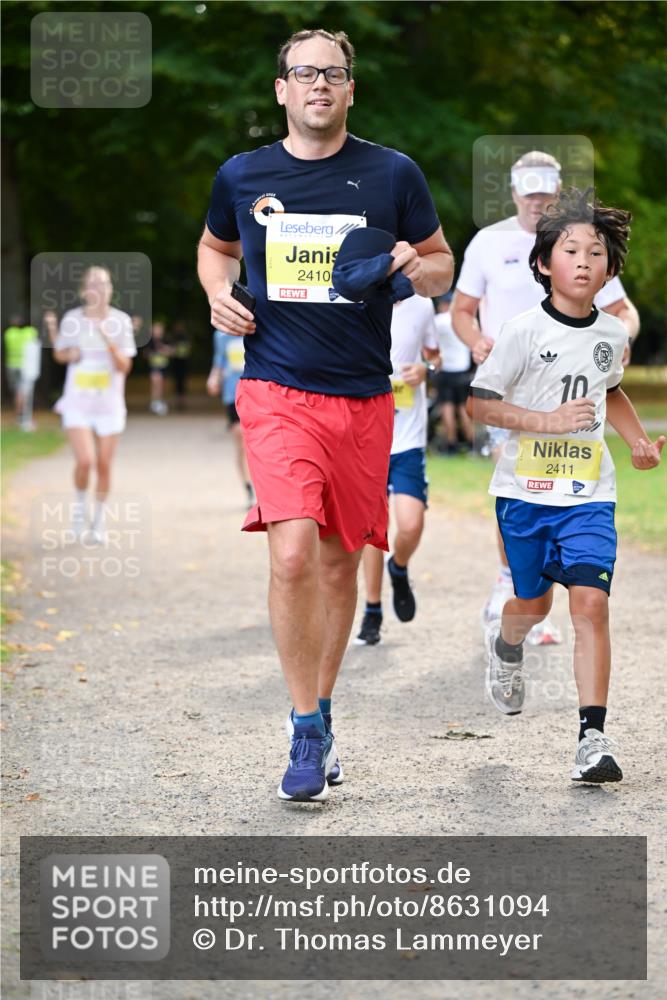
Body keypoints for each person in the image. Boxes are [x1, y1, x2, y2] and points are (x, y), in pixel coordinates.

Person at [197, 28, 453, 802]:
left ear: (350, 90)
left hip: (364, 397)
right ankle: (304, 725)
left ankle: (324, 706)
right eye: (303, 74)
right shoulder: (243, 175)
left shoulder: (391, 172)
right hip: (275, 390)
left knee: (342, 562)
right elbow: (215, 249)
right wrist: (216, 293)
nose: (318, 85)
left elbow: (441, 260)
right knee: (292, 554)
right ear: (281, 89)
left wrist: (410, 270)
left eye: (332, 74)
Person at [468, 187, 664, 783]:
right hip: (524, 494)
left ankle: (592, 739)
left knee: (591, 605)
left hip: (588, 497)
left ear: (610, 268)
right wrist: (543, 421)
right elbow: (480, 406)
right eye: (571, 249)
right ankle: (507, 648)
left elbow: (610, 390)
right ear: (543, 264)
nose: (584, 260)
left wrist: (634, 440)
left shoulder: (610, 335)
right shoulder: (522, 332)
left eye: (597, 252)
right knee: (532, 605)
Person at [452, 150, 641, 643]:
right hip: (509, 383)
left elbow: (623, 309)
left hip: (570, 381)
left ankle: (533, 591)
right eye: (528, 190)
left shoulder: (580, 244)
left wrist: (621, 342)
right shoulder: (489, 242)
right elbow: (462, 310)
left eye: (544, 190)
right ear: (515, 190)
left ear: (556, 190)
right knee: (518, 472)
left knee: (554, 476)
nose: (536, 199)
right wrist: (475, 341)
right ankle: (512, 582)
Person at [355, 295, 441, 645]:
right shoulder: (354, 297)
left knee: (411, 523)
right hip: (365, 437)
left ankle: (399, 566)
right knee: (372, 531)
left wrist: (426, 370)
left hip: (407, 438)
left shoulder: (422, 305)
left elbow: (436, 356)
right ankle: (372, 611)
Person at [49, 265, 136, 542]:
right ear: (84, 291)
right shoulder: (72, 318)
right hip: (77, 402)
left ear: (111, 289)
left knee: (104, 465)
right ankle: (78, 511)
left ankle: (98, 522)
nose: (100, 289)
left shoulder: (121, 321)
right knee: (85, 461)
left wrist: (107, 339)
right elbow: (60, 355)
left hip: (109, 405)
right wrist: (70, 353)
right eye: (94, 284)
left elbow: (124, 366)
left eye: (105, 284)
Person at [206, 327, 255, 508]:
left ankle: (263, 487)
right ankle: (249, 489)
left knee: (257, 443)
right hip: (232, 393)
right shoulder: (220, 335)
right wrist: (213, 379)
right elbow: (219, 361)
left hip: (256, 393)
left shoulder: (254, 329)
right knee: (241, 441)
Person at [432, 292, 474, 455]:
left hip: (444, 370)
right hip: (462, 370)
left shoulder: (437, 321)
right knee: (464, 409)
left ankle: (451, 444)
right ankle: (471, 443)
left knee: (447, 408)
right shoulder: (463, 321)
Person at [3, 313, 39, 428]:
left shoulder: (8, 333)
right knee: (23, 391)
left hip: (11, 365)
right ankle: (22, 416)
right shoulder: (30, 332)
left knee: (17, 391)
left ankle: (20, 415)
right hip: (25, 366)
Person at [146, 320, 172, 415]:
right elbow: (146, 354)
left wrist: (165, 350)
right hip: (154, 366)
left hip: (164, 367)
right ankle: (155, 402)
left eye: (159, 329)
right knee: (156, 382)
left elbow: (171, 351)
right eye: (156, 329)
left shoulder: (166, 339)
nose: (158, 331)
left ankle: (160, 401)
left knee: (162, 385)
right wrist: (153, 354)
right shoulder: (150, 341)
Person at [169, 320, 191, 410]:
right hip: (177, 364)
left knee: (182, 383)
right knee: (178, 383)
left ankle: (181, 401)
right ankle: (179, 401)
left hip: (183, 364)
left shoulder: (183, 338)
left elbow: (187, 350)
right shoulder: (174, 338)